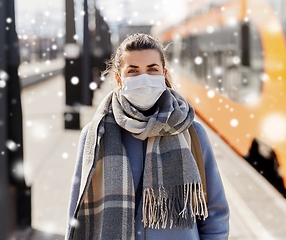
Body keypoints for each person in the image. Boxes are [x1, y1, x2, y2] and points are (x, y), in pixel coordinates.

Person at [65, 33, 229, 240]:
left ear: (164, 74)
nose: (144, 79)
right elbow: (76, 213)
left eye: (152, 70)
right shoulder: (95, 135)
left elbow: (215, 212)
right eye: (133, 71)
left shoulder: (192, 132)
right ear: (118, 78)